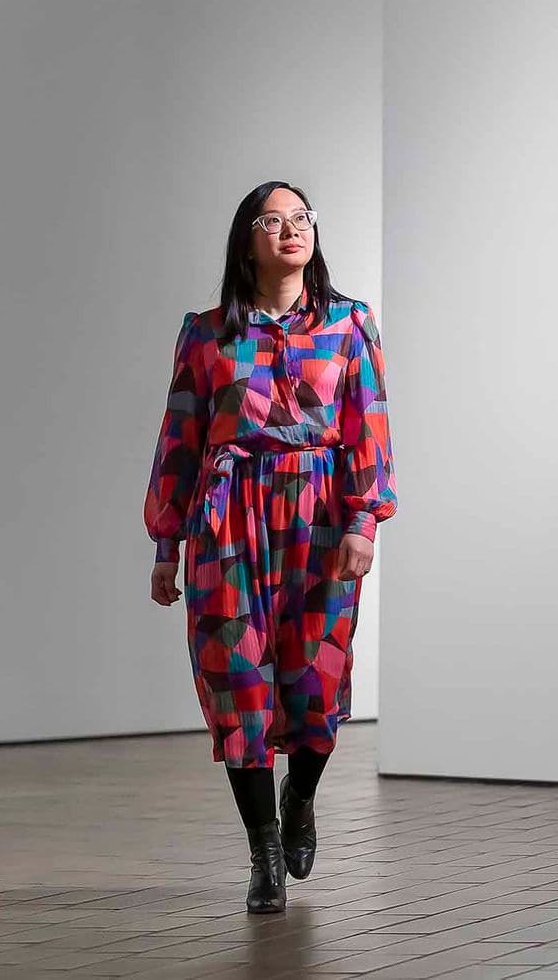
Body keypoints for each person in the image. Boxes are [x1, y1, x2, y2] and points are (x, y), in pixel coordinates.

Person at [144, 181, 397, 914]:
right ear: (245, 239)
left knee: (315, 685)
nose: (290, 230)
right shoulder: (207, 332)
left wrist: (362, 522)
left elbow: (368, 424)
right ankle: (263, 853)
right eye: (272, 220)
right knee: (239, 683)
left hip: (320, 519)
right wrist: (167, 541)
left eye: (301, 219)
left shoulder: (350, 324)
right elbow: (179, 439)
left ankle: (303, 798)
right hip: (227, 520)